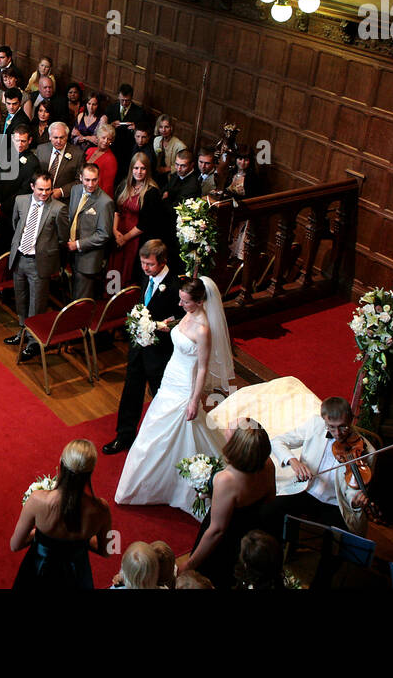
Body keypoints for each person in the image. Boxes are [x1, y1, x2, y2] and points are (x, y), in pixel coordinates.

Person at [115, 276, 232, 514]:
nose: (180, 305)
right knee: (154, 428)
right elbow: (177, 327)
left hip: (185, 387)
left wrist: (193, 400)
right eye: (180, 300)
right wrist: (160, 326)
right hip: (170, 378)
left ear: (200, 302)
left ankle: (181, 483)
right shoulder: (187, 315)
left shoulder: (203, 330)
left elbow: (202, 368)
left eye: (185, 302)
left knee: (175, 431)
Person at [266, 397, 375, 587]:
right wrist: (294, 462)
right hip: (307, 491)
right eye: (331, 427)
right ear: (324, 420)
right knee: (270, 511)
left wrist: (356, 501)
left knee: (334, 546)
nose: (337, 433)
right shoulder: (315, 425)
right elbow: (278, 441)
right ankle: (272, 570)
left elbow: (352, 491)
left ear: (350, 420)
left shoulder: (367, 451)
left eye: (343, 427)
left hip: (336, 504)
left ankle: (320, 585)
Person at [104, 240, 181, 454]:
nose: (145, 268)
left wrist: (163, 326)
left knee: (160, 397)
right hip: (138, 347)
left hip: (160, 353)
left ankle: (164, 442)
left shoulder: (174, 286)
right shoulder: (145, 277)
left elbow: (182, 319)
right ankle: (125, 435)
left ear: (163, 262)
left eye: (150, 264)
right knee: (131, 392)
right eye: (143, 263)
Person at [179, 420, 277, 589]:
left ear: (237, 444)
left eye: (232, 427)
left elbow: (217, 531)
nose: (228, 426)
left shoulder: (227, 479)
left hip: (226, 541)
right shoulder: (268, 464)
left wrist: (189, 564)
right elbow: (269, 498)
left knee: (212, 579)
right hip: (250, 531)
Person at [10, 439, 112, 589]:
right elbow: (107, 551)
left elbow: (15, 545)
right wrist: (81, 542)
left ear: (61, 463)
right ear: (91, 471)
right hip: (76, 577)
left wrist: (38, 534)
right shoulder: (101, 509)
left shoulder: (37, 500)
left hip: (38, 573)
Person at [6, 173, 68, 362]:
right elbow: (16, 225)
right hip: (20, 259)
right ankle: (23, 331)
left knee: (37, 304)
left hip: (39, 263)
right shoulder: (20, 200)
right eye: (40, 189)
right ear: (32, 186)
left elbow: (62, 237)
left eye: (48, 189)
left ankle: (33, 342)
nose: (44, 193)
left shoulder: (59, 209)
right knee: (21, 299)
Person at [107, 152, 164, 285]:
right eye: (136, 168)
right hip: (119, 233)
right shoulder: (124, 185)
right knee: (114, 266)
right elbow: (116, 210)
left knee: (128, 269)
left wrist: (124, 238)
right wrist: (115, 231)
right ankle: (111, 294)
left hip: (136, 238)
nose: (139, 172)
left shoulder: (152, 192)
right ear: (131, 169)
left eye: (143, 168)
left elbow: (145, 224)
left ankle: (124, 299)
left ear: (147, 170)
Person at [64, 163, 116, 301]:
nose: (91, 184)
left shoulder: (105, 202)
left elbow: (104, 234)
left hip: (88, 258)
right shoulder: (75, 190)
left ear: (99, 179)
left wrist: (78, 244)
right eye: (87, 180)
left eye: (94, 180)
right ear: (81, 178)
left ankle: (80, 322)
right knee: (71, 293)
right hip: (70, 252)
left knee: (82, 300)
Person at [33, 122, 82, 202]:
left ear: (67, 137)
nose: (58, 141)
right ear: (50, 137)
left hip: (63, 201)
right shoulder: (41, 150)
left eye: (62, 137)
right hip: (39, 198)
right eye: (55, 138)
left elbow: (80, 181)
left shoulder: (78, 154)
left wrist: (61, 191)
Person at [111, 83, 150, 178]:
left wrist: (136, 127)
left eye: (127, 101)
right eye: (122, 100)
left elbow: (145, 128)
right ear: (118, 96)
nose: (124, 103)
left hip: (129, 149)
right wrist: (111, 125)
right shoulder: (111, 108)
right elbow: (104, 127)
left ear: (131, 98)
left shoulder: (139, 112)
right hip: (113, 147)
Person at [83, 123, 118, 191]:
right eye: (103, 137)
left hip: (97, 195)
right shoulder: (89, 150)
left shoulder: (111, 159)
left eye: (109, 139)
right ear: (97, 137)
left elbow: (107, 186)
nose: (106, 141)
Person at [153, 115, 187, 180]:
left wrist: (167, 169)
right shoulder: (156, 140)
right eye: (160, 127)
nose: (163, 130)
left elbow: (184, 166)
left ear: (171, 128)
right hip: (156, 174)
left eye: (166, 127)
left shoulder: (180, 146)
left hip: (171, 177)